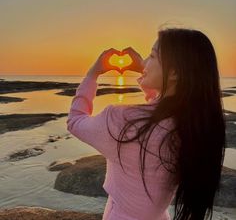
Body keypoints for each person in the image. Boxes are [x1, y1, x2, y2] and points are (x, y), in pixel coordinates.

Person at [66, 27, 226, 220]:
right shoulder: (194, 124)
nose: (144, 62)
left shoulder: (121, 120)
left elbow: (75, 121)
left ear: (174, 73)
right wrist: (149, 75)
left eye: (152, 56)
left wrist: (93, 74)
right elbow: (157, 116)